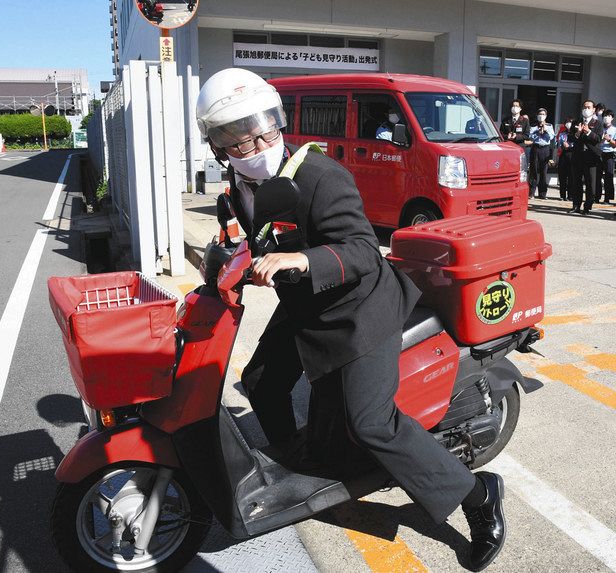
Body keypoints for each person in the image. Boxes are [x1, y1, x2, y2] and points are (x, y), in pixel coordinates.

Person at [196, 68, 507, 572]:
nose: (256, 144)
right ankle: (302, 464)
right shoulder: (238, 183)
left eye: (265, 129)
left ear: (278, 120)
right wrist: (226, 256)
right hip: (308, 306)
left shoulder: (319, 176)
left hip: (360, 309)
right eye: (237, 139)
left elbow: (363, 250)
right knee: (262, 381)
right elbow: (247, 236)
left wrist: (302, 261)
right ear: (218, 146)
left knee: (371, 424)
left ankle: (477, 495)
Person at [571, 100, 604, 214]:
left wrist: (589, 132)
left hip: (591, 158)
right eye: (584, 107)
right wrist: (577, 133)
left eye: (589, 107)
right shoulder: (576, 122)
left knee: (590, 184)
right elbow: (570, 138)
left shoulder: (598, 123)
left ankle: (587, 206)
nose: (586, 109)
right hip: (578, 156)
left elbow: (598, 139)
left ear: (594, 109)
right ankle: (576, 205)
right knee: (576, 182)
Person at [528, 108, 555, 199]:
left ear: (546, 116)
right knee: (533, 171)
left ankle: (542, 193)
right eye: (540, 114)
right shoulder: (533, 125)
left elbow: (551, 137)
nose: (541, 116)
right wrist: (537, 132)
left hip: (545, 149)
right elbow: (530, 136)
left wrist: (545, 129)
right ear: (537, 115)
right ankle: (531, 193)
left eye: (543, 114)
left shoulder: (549, 125)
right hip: (536, 148)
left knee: (544, 171)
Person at [598, 109, 616, 205]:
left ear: (612, 118)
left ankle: (607, 198)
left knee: (608, 175)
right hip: (598, 153)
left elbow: (615, 144)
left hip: (609, 154)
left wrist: (609, 140)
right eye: (605, 116)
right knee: (597, 176)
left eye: (608, 116)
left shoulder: (614, 130)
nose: (606, 118)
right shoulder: (599, 128)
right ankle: (596, 196)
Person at [556, 117, 575, 201]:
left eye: (570, 122)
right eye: (567, 122)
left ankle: (570, 195)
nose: (568, 124)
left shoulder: (575, 134)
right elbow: (558, 144)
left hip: (572, 154)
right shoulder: (562, 133)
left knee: (571, 175)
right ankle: (562, 195)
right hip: (563, 154)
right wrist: (561, 145)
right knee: (562, 176)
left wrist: (570, 145)